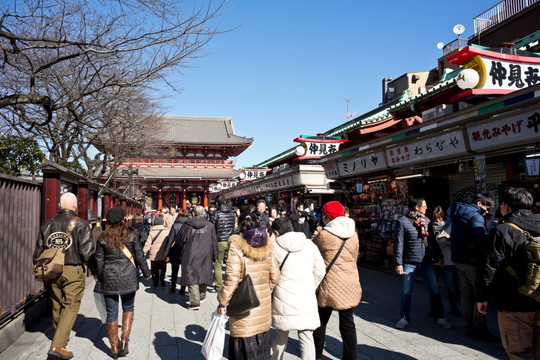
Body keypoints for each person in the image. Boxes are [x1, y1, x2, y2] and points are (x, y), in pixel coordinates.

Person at [477, 187, 540, 359]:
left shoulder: (502, 230)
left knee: (519, 353)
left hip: (514, 303)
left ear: (507, 206)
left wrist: (482, 297)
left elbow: (488, 267)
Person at [33, 192, 95, 360]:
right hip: (72, 269)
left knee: (57, 304)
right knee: (71, 305)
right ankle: (58, 345)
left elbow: (38, 251)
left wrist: (38, 269)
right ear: (75, 206)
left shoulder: (47, 224)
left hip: (52, 270)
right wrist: (95, 271)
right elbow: (87, 252)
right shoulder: (81, 224)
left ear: (60, 205)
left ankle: (61, 336)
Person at [216, 212, 280, 359]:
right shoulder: (268, 244)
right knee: (262, 351)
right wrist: (264, 288)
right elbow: (276, 276)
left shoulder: (236, 245)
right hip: (262, 308)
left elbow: (231, 279)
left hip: (243, 309)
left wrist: (222, 301)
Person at [92, 207, 151, 359]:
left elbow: (99, 260)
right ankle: (124, 340)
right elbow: (139, 255)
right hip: (128, 277)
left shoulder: (102, 237)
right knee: (128, 307)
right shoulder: (132, 234)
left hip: (109, 278)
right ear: (123, 219)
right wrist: (146, 272)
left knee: (111, 312)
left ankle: (114, 348)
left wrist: (99, 275)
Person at [312, 201, 362, 360]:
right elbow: (354, 256)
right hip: (350, 281)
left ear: (327, 217)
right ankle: (350, 356)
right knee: (348, 322)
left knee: (321, 320)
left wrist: (316, 234)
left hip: (329, 283)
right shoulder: (353, 233)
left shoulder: (324, 235)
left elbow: (313, 252)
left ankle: (316, 354)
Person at [270, 217, 325, 360]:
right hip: (306, 295)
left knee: (281, 335)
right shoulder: (309, 244)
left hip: (282, 297)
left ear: (276, 232)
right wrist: (311, 285)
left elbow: (270, 274)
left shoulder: (274, 247)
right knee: (306, 336)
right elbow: (320, 270)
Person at [447, 194, 498, 341]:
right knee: (481, 295)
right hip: (471, 261)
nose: (486, 212)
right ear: (479, 203)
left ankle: (468, 326)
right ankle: (480, 328)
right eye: (486, 208)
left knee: (466, 294)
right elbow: (479, 237)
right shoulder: (476, 216)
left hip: (458, 259)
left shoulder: (458, 213)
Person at [394, 196, 438, 329]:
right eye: (424, 206)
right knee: (406, 292)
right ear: (417, 208)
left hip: (426, 261)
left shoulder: (427, 220)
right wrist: (398, 263)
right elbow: (399, 244)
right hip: (409, 262)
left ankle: (440, 316)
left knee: (434, 290)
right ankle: (404, 317)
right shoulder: (402, 221)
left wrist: (439, 256)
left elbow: (432, 242)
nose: (426, 208)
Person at [175, 205, 218, 310]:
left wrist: (179, 251)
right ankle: (202, 295)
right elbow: (214, 242)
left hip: (190, 253)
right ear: (204, 213)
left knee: (191, 275)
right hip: (206, 253)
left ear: (193, 214)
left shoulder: (187, 225)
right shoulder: (210, 226)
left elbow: (180, 240)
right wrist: (215, 256)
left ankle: (195, 302)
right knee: (204, 272)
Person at [431, 206, 461, 316]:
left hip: (448, 260)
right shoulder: (431, 226)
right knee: (433, 286)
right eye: (435, 219)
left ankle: (455, 308)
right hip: (435, 261)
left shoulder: (450, 225)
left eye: (439, 218)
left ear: (443, 216)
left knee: (451, 286)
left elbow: (456, 244)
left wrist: (448, 238)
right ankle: (433, 308)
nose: (437, 221)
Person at [209, 195, 236, 293]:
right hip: (230, 240)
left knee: (217, 264)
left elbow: (211, 229)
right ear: (225, 202)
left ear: (216, 203)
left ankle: (219, 286)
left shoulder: (215, 214)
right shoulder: (231, 214)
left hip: (219, 241)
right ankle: (230, 283)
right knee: (229, 264)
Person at [164, 209, 189, 294]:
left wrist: (166, 252)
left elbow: (170, 240)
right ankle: (182, 288)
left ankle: (173, 286)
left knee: (174, 270)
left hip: (175, 249)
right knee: (185, 270)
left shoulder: (175, 225)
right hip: (186, 250)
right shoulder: (189, 225)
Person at [143, 215, 169, 287]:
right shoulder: (166, 232)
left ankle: (155, 281)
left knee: (154, 269)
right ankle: (162, 278)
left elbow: (148, 244)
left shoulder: (151, 232)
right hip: (163, 253)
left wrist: (144, 251)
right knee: (163, 266)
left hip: (153, 253)